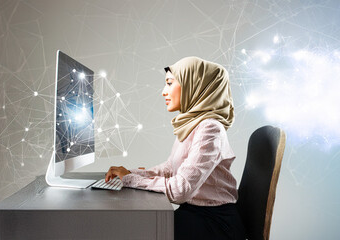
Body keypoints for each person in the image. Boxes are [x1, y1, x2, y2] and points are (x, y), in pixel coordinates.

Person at [105, 56, 245, 240]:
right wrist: (130, 174)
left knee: (137, 229)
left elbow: (180, 190)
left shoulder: (210, 128)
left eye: (170, 83)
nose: (164, 91)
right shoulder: (193, 124)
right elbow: (170, 169)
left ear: (195, 85)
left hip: (215, 224)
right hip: (196, 214)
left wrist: (131, 180)